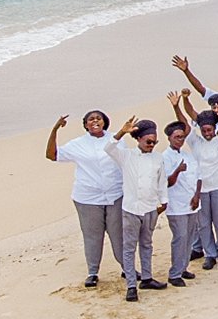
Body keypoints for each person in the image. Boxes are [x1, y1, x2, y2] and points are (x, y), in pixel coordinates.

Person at [45, 110, 126, 289]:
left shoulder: (118, 139)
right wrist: (55, 130)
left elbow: (126, 163)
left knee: (118, 234)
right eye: (91, 119)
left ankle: (126, 267)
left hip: (116, 195)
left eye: (98, 118)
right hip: (88, 198)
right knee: (92, 236)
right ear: (85, 124)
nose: (95, 121)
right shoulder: (78, 144)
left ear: (105, 121)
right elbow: (52, 155)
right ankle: (93, 272)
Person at [105, 117, 170, 301]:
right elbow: (108, 148)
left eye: (155, 142)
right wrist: (121, 132)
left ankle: (147, 278)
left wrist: (163, 201)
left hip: (150, 208)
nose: (152, 145)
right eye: (149, 141)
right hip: (131, 209)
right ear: (139, 139)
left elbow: (161, 181)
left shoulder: (158, 158)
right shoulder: (127, 155)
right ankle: (131, 285)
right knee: (129, 248)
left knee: (147, 244)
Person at [171, 92, 218, 270]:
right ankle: (210, 254)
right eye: (204, 130)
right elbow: (185, 123)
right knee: (204, 224)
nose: (207, 133)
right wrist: (178, 105)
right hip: (201, 190)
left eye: (210, 130)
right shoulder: (195, 142)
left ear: (215, 128)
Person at [160, 119, 202, 286]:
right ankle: (175, 273)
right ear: (169, 138)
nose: (180, 140)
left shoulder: (188, 155)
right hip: (176, 205)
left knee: (190, 237)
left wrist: (197, 196)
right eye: (177, 137)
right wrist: (177, 170)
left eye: (182, 137)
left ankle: (183, 267)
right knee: (180, 237)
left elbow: (199, 177)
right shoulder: (164, 157)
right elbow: (167, 182)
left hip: (192, 203)